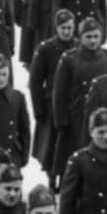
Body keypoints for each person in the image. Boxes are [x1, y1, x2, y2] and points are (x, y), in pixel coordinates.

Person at [49, 18, 107, 188]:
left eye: (96, 36)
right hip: (76, 117)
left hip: (100, 116)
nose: (92, 40)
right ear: (81, 37)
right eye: (88, 36)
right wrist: (61, 122)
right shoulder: (69, 59)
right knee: (72, 158)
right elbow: (59, 93)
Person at [27, 11, 76, 183]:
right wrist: (38, 109)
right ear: (56, 28)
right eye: (63, 27)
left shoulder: (78, 47)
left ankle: (64, 177)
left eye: (70, 27)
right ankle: (50, 178)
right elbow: (35, 82)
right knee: (50, 146)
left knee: (68, 144)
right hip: (50, 105)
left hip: (71, 105)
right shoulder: (45, 48)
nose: (67, 31)